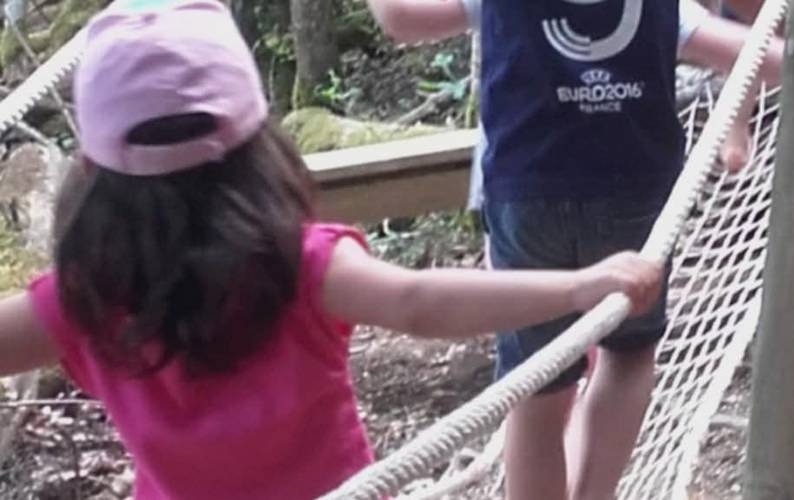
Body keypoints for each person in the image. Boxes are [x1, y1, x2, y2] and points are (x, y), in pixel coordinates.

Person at [0, 1, 666, 499]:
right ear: (260, 143)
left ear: (89, 165)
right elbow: (418, 302)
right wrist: (578, 286)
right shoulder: (298, 265)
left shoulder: (84, 298)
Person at [366, 1, 794, 499]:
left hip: (529, 197)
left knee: (536, 383)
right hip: (634, 200)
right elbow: (773, 59)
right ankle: (594, 493)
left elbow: (401, 17)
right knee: (629, 354)